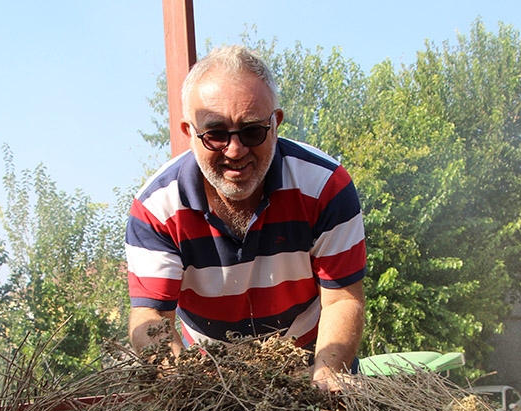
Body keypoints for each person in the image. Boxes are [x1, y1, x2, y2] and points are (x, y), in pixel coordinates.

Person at [125, 45, 366, 391]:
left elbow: (342, 298)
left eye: (252, 131)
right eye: (215, 134)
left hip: (312, 358)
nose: (235, 150)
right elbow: (152, 316)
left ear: (275, 123)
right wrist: (184, 387)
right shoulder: (156, 208)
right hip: (210, 376)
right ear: (189, 132)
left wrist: (326, 376)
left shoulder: (326, 187)